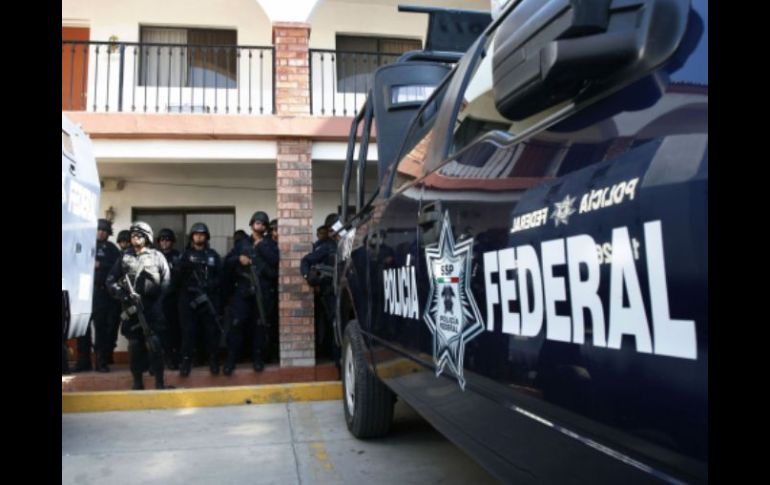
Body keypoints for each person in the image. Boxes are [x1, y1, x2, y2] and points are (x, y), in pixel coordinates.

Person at [106, 221, 171, 390]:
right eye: (133, 234)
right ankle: (137, 381)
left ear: (147, 237)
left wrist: (157, 302)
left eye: (139, 234)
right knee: (134, 345)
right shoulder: (124, 257)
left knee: (155, 344)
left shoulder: (157, 256)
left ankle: (159, 381)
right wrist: (123, 295)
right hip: (131, 309)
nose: (135, 237)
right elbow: (111, 280)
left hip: (152, 309)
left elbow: (166, 282)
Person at [223, 211, 279, 374]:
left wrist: (261, 247)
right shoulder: (242, 243)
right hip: (243, 291)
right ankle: (231, 360)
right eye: (257, 222)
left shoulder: (270, 244)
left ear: (266, 227)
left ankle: (258, 359)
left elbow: (275, 264)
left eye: (263, 223)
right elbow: (227, 262)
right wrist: (239, 259)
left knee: (260, 326)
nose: (260, 225)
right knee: (236, 325)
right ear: (252, 224)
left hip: (262, 292)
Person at [176, 223, 223, 376]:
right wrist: (183, 268)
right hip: (188, 299)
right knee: (188, 332)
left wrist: (209, 285)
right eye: (196, 234)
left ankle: (213, 361)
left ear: (206, 237)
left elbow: (221, 277)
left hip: (208, 297)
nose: (199, 236)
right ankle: (186, 361)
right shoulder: (184, 255)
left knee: (211, 332)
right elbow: (176, 279)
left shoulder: (213, 255)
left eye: (202, 234)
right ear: (192, 237)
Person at [301, 213, 340, 361]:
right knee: (335, 327)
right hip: (331, 294)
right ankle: (337, 361)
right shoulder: (326, 247)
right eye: (332, 229)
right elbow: (305, 261)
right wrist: (308, 276)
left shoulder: (350, 243)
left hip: (349, 296)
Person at [157, 228, 182, 371]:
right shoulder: (154, 256)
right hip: (158, 299)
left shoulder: (178, 256)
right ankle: (162, 359)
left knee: (175, 330)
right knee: (160, 331)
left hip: (175, 299)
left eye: (167, 239)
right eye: (162, 239)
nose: (165, 242)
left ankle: (175, 358)